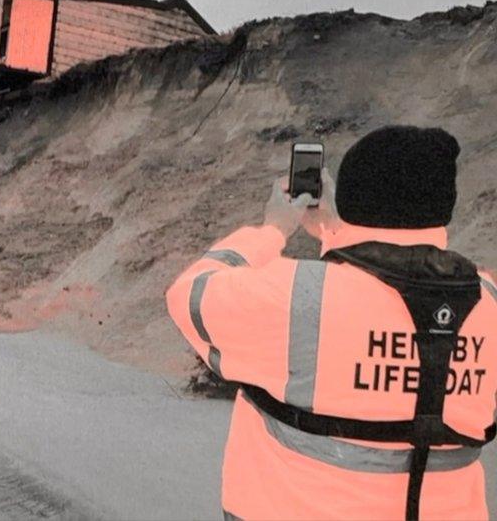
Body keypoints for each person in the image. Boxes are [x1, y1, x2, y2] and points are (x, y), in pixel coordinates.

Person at [166, 126, 497, 520]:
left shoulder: (297, 296)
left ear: (352, 197)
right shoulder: (488, 298)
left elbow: (191, 293)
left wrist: (273, 229)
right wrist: (337, 234)